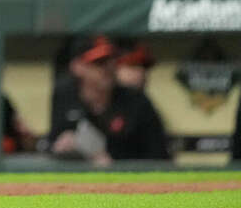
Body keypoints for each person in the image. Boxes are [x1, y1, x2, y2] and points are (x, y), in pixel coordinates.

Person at [49, 36, 169, 164]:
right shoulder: (65, 97)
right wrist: (62, 146)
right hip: (78, 178)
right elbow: (51, 144)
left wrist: (113, 163)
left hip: (129, 178)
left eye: (111, 60)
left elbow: (160, 157)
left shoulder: (136, 101)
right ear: (77, 66)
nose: (108, 68)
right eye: (99, 62)